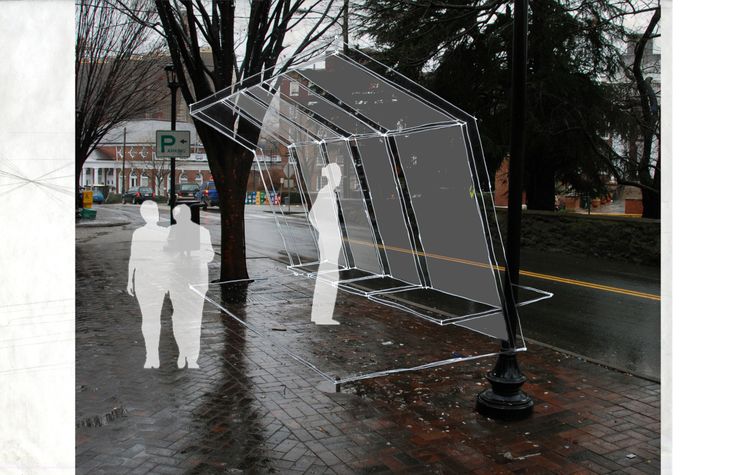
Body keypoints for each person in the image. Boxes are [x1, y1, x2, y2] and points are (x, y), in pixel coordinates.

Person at [166, 204, 214, 368]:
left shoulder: (202, 232)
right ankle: (181, 353)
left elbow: (209, 255)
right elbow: (165, 255)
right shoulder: (172, 232)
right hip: (177, 281)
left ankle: (192, 357)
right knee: (178, 318)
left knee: (195, 320)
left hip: (196, 281)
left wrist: (193, 255)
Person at [127, 201, 170, 368]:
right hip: (155, 278)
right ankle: (152, 355)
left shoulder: (139, 233)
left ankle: (151, 355)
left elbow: (134, 258)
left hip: (145, 279)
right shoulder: (163, 233)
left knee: (148, 318)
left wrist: (130, 279)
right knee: (154, 318)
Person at [308, 163, 343, 325]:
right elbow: (312, 216)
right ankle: (323, 316)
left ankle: (320, 315)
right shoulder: (326, 193)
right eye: (338, 175)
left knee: (326, 275)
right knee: (329, 276)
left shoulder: (329, 193)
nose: (340, 178)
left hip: (330, 239)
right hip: (329, 240)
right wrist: (325, 231)